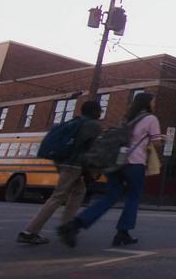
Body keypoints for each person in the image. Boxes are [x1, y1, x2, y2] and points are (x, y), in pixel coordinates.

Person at [57, 92, 164, 248]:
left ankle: (75, 225)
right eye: (153, 101)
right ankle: (122, 232)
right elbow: (156, 143)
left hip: (115, 163)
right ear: (147, 103)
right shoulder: (151, 119)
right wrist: (159, 140)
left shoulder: (127, 118)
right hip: (134, 164)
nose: (154, 104)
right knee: (133, 198)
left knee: (110, 197)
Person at [17, 101, 103, 245]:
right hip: (74, 165)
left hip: (63, 162)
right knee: (58, 196)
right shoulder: (93, 125)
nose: (100, 114)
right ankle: (30, 232)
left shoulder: (73, 122)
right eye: (100, 110)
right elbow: (92, 149)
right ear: (95, 112)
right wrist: (94, 169)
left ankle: (66, 226)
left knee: (78, 192)